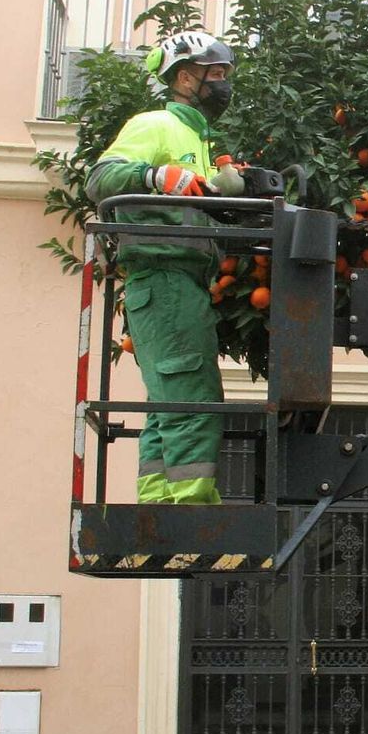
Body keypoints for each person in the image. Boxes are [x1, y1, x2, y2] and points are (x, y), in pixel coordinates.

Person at [87, 30, 236, 504]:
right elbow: (101, 178)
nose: (223, 84)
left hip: (182, 278)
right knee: (193, 395)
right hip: (165, 272)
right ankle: (190, 509)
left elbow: (194, 197)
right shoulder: (155, 124)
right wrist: (155, 174)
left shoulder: (198, 139)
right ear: (185, 77)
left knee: (166, 398)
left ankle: (158, 499)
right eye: (216, 74)